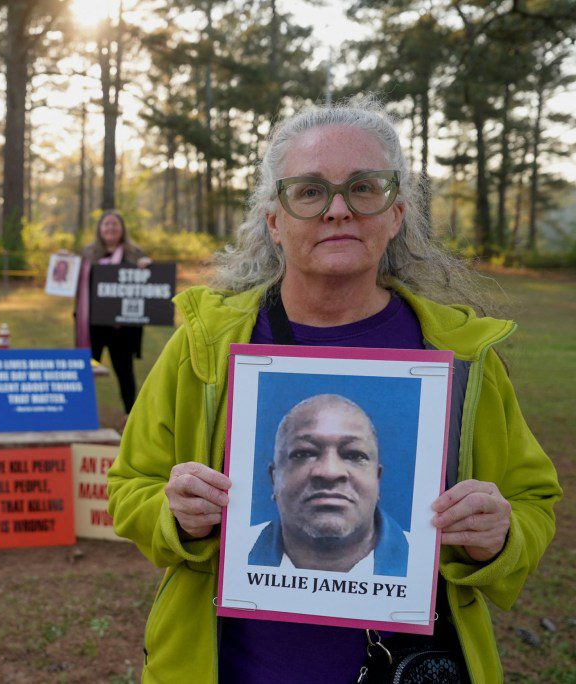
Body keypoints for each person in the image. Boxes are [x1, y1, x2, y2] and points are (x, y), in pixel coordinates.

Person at [107, 99, 560, 683]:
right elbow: (129, 486)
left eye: (364, 188)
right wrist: (173, 514)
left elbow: (533, 501)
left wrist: (500, 535)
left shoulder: (461, 356)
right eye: (310, 190)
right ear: (275, 219)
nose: (338, 210)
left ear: (396, 213)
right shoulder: (207, 349)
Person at [248, 394, 408, 577]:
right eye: (304, 453)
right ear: (274, 478)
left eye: (354, 455)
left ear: (377, 479)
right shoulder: (227, 552)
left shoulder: (429, 564)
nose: (330, 472)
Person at [75, 211, 152, 416]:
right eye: (106, 224)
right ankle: (81, 414)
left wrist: (147, 267)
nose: (110, 228)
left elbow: (148, 284)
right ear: (100, 229)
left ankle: (130, 417)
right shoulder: (89, 253)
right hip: (93, 326)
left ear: (122, 228)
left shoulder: (134, 253)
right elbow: (75, 281)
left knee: (125, 372)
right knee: (87, 370)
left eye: (115, 224)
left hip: (123, 327)